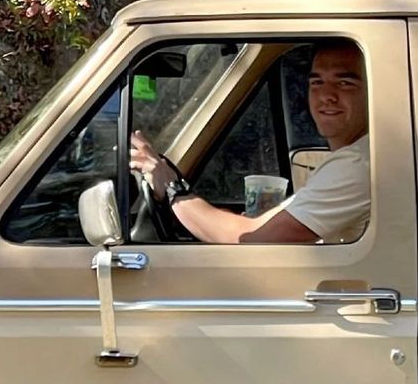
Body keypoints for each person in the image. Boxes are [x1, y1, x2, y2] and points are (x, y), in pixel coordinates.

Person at [129, 41, 370, 244]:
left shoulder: (359, 164)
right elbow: (260, 226)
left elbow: (254, 238)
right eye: (317, 82)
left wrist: (172, 189)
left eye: (345, 83)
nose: (326, 96)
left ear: (375, 91)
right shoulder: (361, 157)